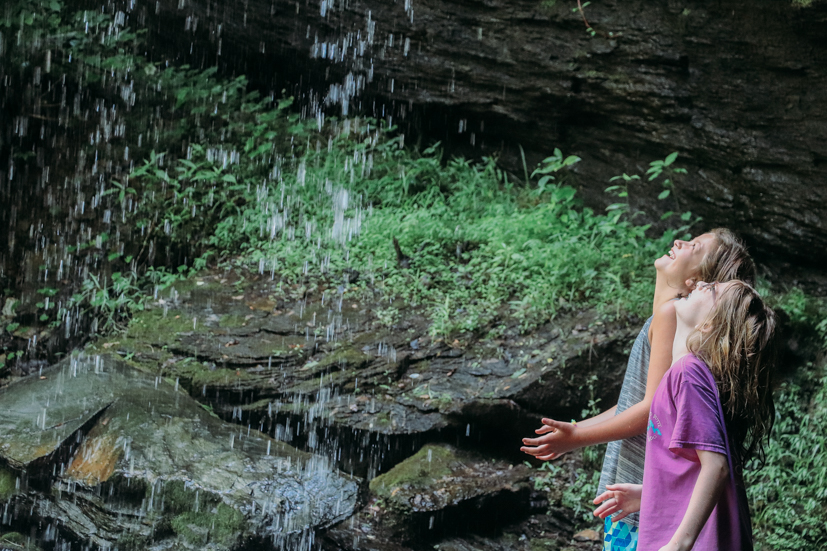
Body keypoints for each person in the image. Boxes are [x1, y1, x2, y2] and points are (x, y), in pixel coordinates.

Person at [520, 229, 755, 551]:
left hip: (650, 476)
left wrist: (577, 438)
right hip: (648, 485)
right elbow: (636, 402)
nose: (679, 241)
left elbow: (650, 410)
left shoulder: (671, 315)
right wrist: (575, 430)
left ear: (698, 281)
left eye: (694, 246)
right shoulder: (667, 314)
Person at [592, 280, 776, 551]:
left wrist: (679, 544)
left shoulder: (689, 374)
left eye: (711, 289)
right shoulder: (692, 374)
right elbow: (693, 467)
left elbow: (716, 466)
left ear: (709, 324)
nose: (701, 282)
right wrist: (649, 495)